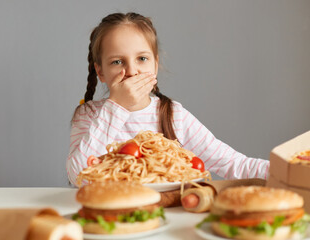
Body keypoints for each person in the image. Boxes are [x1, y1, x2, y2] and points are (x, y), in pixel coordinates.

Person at [66, 12, 269, 186]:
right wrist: (117, 106)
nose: (132, 71)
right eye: (117, 62)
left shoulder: (173, 115)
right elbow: (78, 175)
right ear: (100, 72)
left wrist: (288, 170)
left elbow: (234, 164)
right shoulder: (89, 114)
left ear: (155, 64)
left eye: (142, 59)